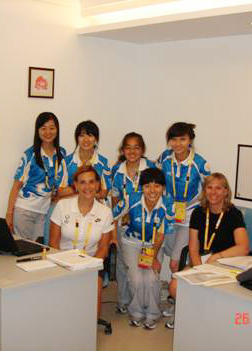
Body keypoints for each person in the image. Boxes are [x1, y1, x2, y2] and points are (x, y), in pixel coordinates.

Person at [165, 172, 250, 329]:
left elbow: (243, 247)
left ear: (226, 191)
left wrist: (218, 256)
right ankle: (189, 315)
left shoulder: (233, 214)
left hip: (225, 265)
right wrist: (199, 268)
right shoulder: (198, 213)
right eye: (209, 187)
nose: (213, 192)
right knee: (174, 286)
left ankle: (207, 322)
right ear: (204, 191)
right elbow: (193, 246)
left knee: (214, 292)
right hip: (201, 263)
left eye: (218, 188)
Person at [113, 168, 175, 330]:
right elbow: (112, 216)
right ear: (141, 187)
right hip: (131, 243)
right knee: (136, 278)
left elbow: (161, 234)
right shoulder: (131, 198)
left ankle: (153, 314)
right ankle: (136, 312)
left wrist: (153, 257)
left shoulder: (168, 204)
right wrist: (114, 238)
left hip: (153, 245)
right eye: (147, 186)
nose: (152, 191)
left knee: (152, 278)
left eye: (157, 186)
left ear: (163, 188)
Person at [50, 165, 114, 318]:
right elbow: (53, 243)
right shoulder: (62, 206)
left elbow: (103, 249)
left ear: (98, 185)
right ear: (76, 185)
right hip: (62, 262)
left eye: (92, 182)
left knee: (94, 294)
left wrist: (89, 267)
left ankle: (87, 329)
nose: (87, 187)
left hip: (91, 263)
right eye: (82, 182)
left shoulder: (105, 212)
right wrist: (64, 265)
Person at [157, 122, 211, 273]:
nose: (178, 144)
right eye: (174, 139)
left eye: (182, 139)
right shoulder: (164, 157)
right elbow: (155, 179)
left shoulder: (200, 163)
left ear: (190, 141)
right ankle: (172, 289)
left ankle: (178, 294)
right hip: (169, 214)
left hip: (189, 217)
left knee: (176, 262)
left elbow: (210, 188)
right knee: (165, 253)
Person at [111, 132, 156, 314]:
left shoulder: (151, 168)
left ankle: (144, 303)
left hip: (147, 225)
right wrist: (120, 217)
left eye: (136, 147)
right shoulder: (116, 170)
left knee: (146, 264)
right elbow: (114, 196)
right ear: (122, 150)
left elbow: (158, 194)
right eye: (128, 147)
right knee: (123, 264)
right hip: (124, 224)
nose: (132, 151)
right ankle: (124, 300)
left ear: (142, 150)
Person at [5, 112, 67, 241]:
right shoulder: (30, 155)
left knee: (40, 253)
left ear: (57, 130)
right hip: (25, 211)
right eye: (43, 128)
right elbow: (16, 187)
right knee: (23, 252)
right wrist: (9, 214)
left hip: (46, 213)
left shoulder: (62, 153)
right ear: (37, 131)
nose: (48, 132)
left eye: (52, 128)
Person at [62, 120, 111, 203]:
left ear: (96, 139)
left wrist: (77, 192)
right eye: (82, 136)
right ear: (77, 138)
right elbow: (61, 191)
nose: (86, 139)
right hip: (71, 207)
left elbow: (104, 192)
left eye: (90, 135)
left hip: (97, 206)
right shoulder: (66, 162)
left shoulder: (104, 163)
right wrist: (89, 190)